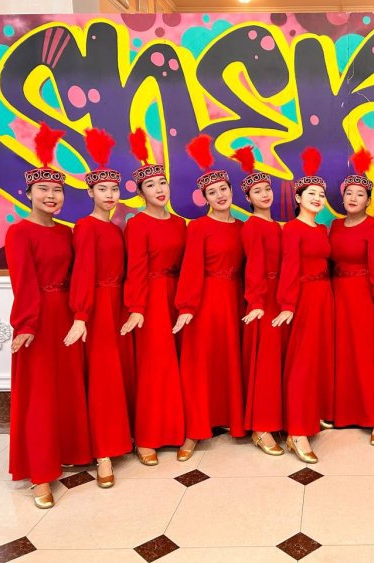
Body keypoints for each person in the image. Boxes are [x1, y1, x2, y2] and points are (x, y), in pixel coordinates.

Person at [6, 122, 91, 508]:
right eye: (43, 189)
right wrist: (26, 324)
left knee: (66, 388)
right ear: (28, 194)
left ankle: (67, 451)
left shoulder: (66, 233)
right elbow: (23, 282)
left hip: (66, 319)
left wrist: (80, 316)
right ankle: (40, 474)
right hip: (37, 320)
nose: (52, 196)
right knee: (39, 395)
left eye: (57, 190)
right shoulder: (19, 232)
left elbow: (77, 278)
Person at [65, 128, 133, 488]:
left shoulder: (117, 229)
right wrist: (81, 315)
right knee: (103, 379)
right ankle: (103, 453)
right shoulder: (85, 226)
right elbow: (83, 273)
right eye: (102, 189)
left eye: (114, 189)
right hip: (98, 309)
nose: (109, 195)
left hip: (119, 306)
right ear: (90, 192)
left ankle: (122, 439)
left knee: (119, 375)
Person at [173, 135, 246, 459]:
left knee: (231, 361)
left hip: (236, 300)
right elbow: (190, 268)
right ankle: (195, 430)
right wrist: (187, 306)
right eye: (212, 192)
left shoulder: (244, 227)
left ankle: (233, 420)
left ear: (231, 191)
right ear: (205, 198)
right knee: (200, 364)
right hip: (205, 302)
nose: (220, 195)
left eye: (223, 189)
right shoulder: (198, 227)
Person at [120, 127, 187, 465]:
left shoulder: (180, 224)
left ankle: (175, 430)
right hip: (151, 299)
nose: (159, 189)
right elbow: (135, 269)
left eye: (162, 183)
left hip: (178, 297)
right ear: (140, 192)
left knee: (178, 365)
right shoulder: (137, 224)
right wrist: (136, 307)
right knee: (154, 366)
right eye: (151, 185)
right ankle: (146, 436)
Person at [330, 148, 374, 445]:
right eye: (349, 193)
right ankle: (344, 413)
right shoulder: (334, 226)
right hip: (337, 295)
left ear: (368, 201)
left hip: (364, 296)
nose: (353, 198)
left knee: (368, 355)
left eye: (360, 194)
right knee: (342, 353)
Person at [273, 148, 335, 463]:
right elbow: (289, 267)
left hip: (325, 297)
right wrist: (288, 304)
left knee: (318, 360)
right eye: (311, 193)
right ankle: (297, 431)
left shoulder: (321, 229)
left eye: (321, 194)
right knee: (302, 362)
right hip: (304, 299)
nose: (317, 198)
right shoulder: (293, 229)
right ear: (298, 198)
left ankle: (310, 414)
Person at [234, 145, 287, 455]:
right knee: (264, 363)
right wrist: (256, 302)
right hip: (263, 301)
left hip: (281, 298)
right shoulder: (253, 226)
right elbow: (253, 267)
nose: (264, 194)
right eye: (257, 191)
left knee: (279, 360)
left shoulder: (278, 226)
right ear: (248, 198)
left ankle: (278, 418)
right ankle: (261, 427)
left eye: (267, 189)